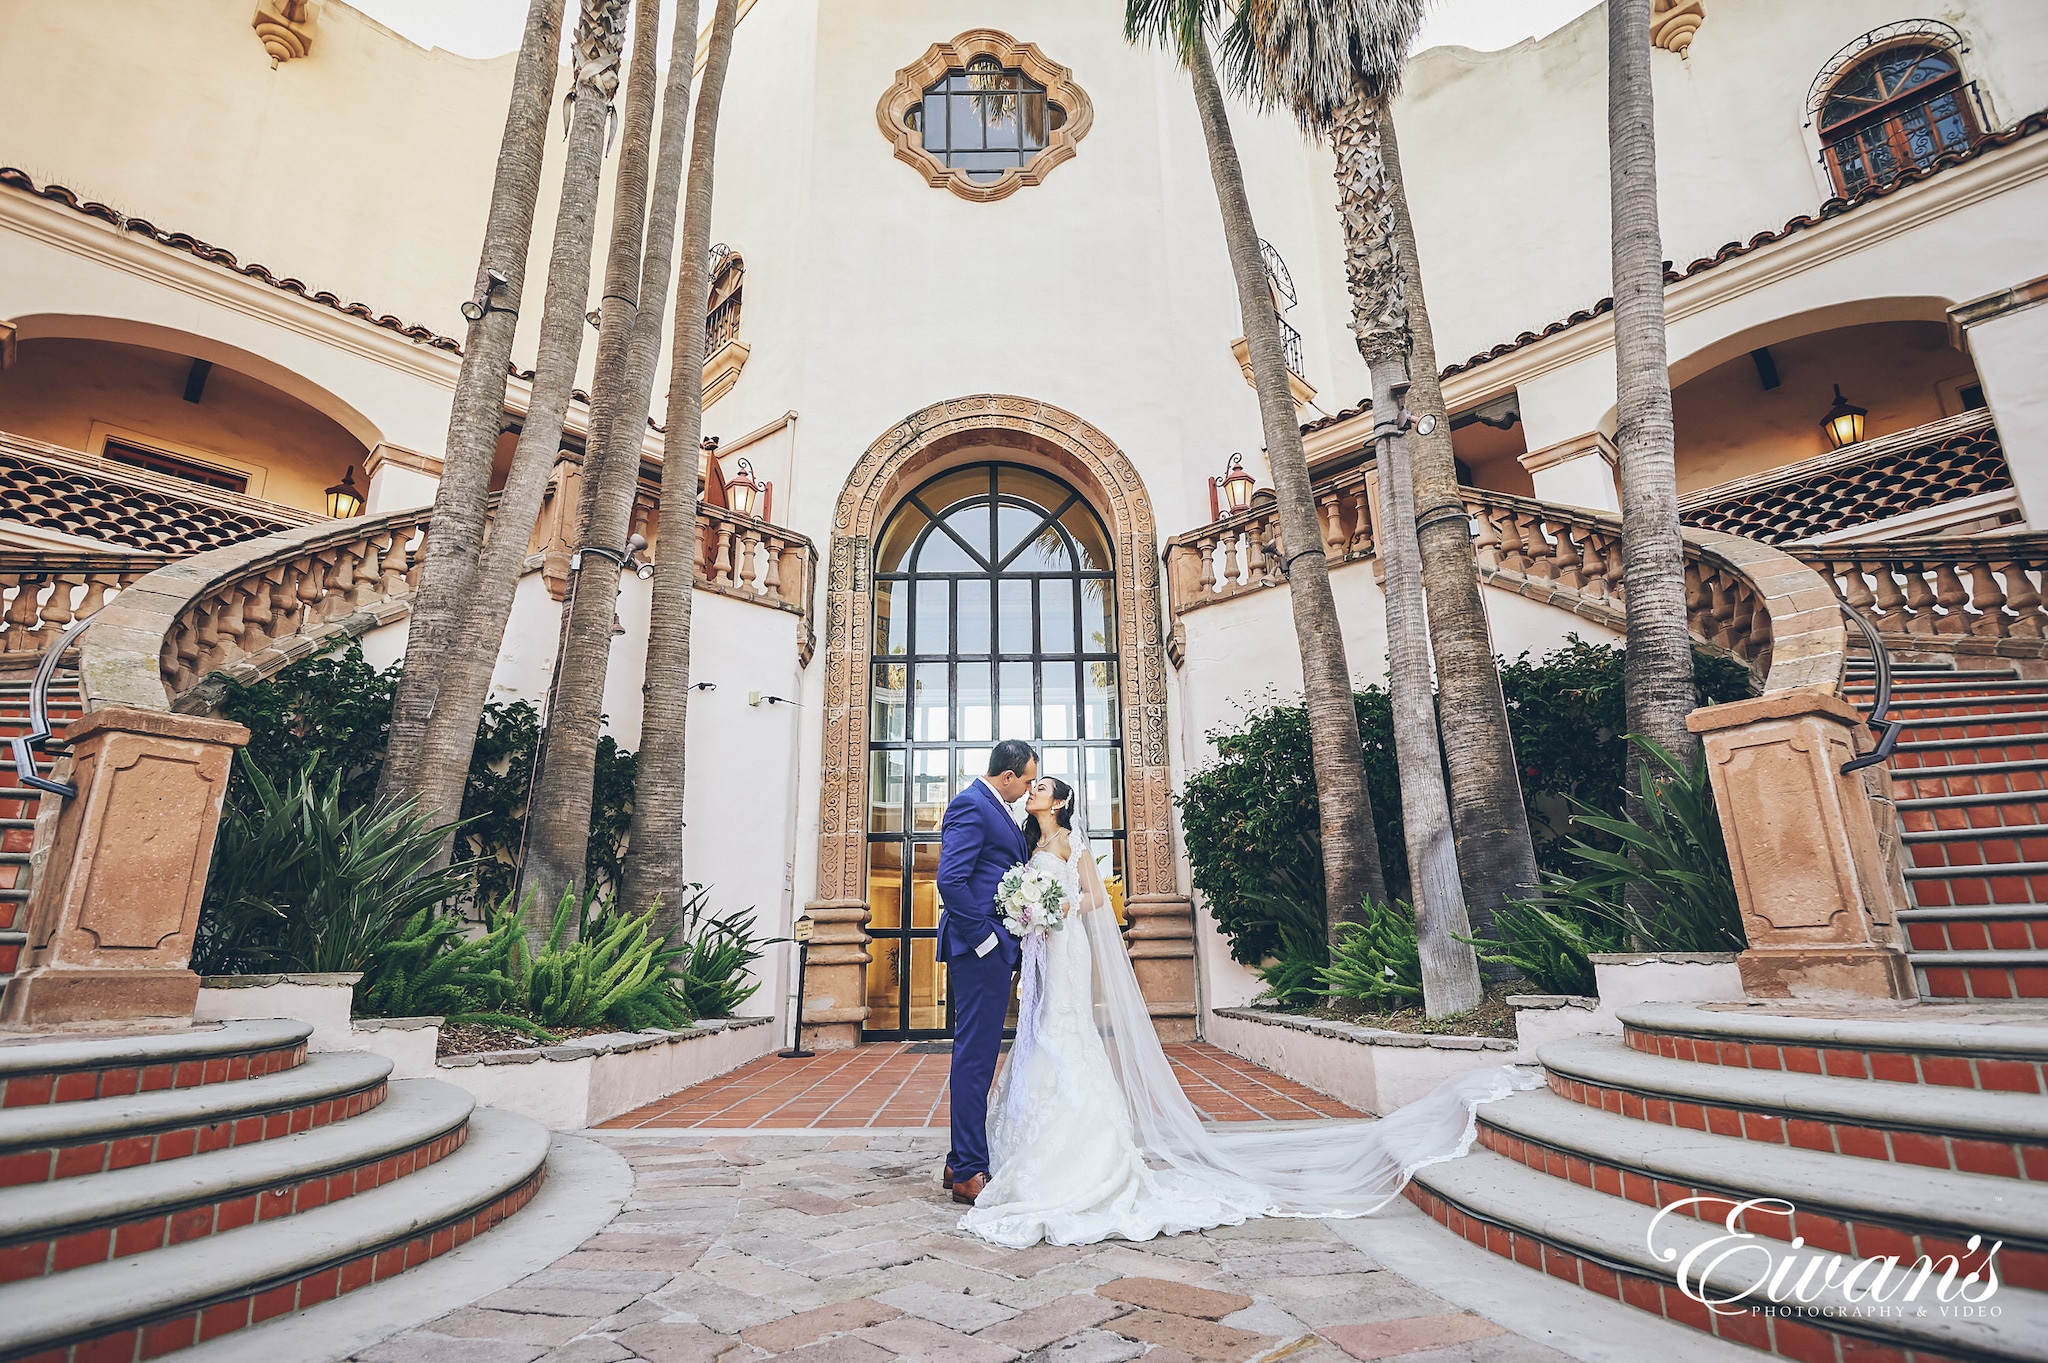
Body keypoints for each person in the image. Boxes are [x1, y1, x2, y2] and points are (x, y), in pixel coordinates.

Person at [959, 776, 1541, 1248]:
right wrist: (1028, 911)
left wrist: (1050, 906)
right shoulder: (1027, 843)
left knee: (1068, 1032)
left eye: (1042, 787)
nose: (1032, 791)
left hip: (1065, 940)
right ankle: (1027, 1148)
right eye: (1029, 784)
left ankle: (1084, 1151)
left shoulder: (1071, 843)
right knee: (1039, 1032)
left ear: (1060, 802)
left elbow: (1091, 899)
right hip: (1043, 948)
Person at [934, 738, 1037, 1206]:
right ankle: (970, 1171)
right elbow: (950, 880)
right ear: (1008, 775)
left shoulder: (995, 808)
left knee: (977, 1054)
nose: (1030, 788)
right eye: (1028, 779)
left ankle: (960, 1159)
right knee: (975, 1057)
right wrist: (986, 940)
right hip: (978, 950)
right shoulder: (971, 805)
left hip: (991, 949)